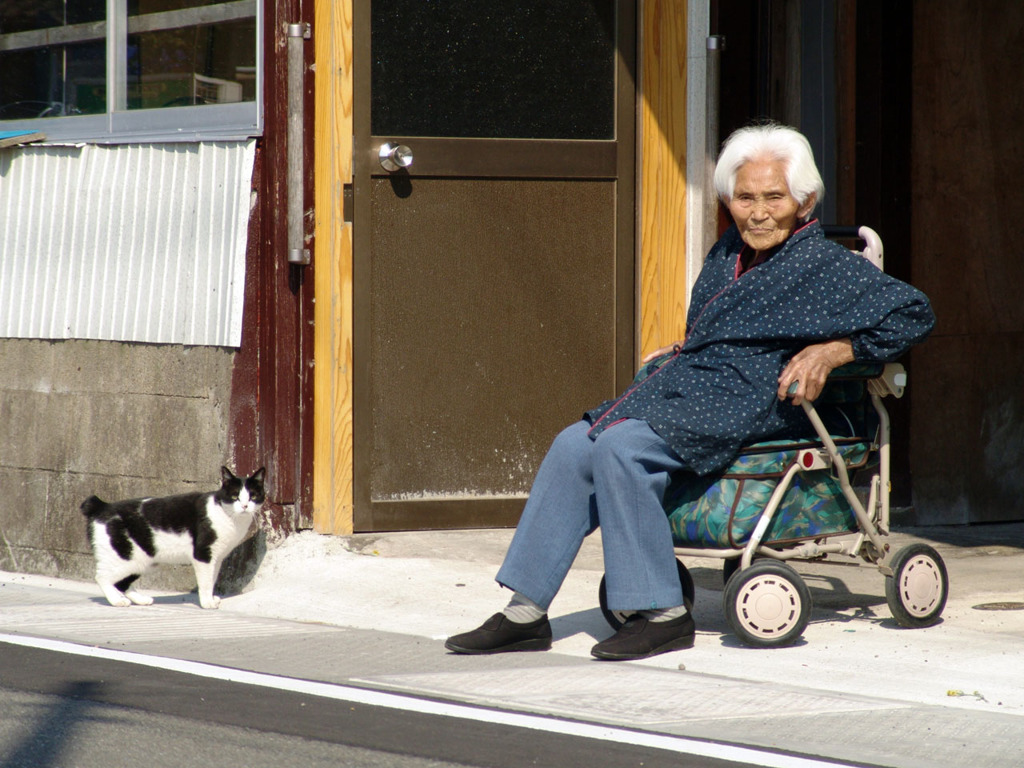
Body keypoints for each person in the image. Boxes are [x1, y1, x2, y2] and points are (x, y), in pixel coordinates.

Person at [445, 122, 935, 661]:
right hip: (698, 385)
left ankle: (664, 614)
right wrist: (685, 347)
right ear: (729, 200)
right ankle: (526, 612)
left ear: (804, 200)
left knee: (623, 446)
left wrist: (836, 350)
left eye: (774, 197)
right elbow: (724, 323)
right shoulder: (727, 252)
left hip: (754, 396)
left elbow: (915, 313)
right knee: (573, 444)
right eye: (745, 197)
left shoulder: (826, 267)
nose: (759, 211)